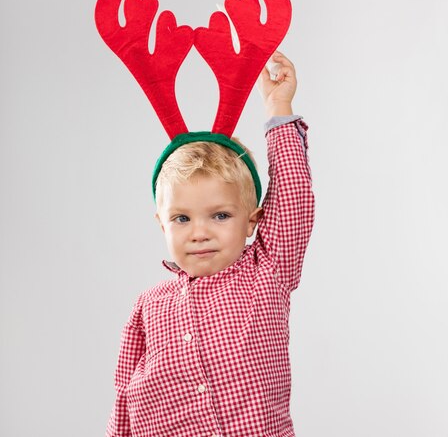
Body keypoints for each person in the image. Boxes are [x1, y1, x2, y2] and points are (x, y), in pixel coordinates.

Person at [106, 52, 315, 437]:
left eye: (219, 215)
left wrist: (278, 109)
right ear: (162, 224)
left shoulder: (268, 271)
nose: (199, 232)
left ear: (253, 218)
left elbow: (293, 198)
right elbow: (124, 395)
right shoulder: (149, 306)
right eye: (182, 219)